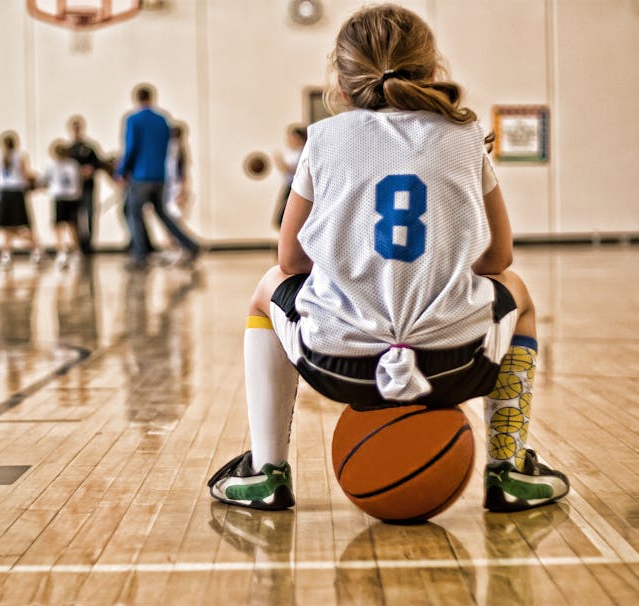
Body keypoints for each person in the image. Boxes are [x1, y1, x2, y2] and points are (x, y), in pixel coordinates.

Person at [208, 3, 570, 513]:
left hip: (340, 364)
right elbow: (497, 257)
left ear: (340, 77)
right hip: (459, 362)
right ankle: (508, 469)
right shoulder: (466, 138)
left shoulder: (323, 139)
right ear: (433, 70)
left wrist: (351, 273)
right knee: (520, 292)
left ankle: (267, 470)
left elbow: (290, 259)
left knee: (269, 285)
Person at [116, 84, 200, 269]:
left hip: (141, 176)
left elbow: (131, 148)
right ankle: (191, 245)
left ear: (136, 99)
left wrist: (121, 172)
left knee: (132, 212)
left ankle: (141, 254)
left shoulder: (133, 119)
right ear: (152, 98)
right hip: (160, 176)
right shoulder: (163, 120)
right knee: (163, 214)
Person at [0, 131, 43, 271]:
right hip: (16, 192)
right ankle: (36, 252)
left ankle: (6, 255)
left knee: (6, 227)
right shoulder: (20, 155)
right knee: (26, 225)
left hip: (4, 193)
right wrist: (39, 180)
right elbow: (26, 173)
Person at [67, 115, 104, 255]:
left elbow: (99, 163)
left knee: (89, 214)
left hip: (88, 187)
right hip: (74, 189)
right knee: (75, 216)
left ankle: (89, 243)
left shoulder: (89, 147)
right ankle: (78, 243)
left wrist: (91, 168)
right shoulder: (68, 150)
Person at [42, 140, 82, 270]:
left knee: (59, 226)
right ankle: (76, 251)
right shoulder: (74, 164)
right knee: (72, 224)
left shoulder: (52, 165)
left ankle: (62, 251)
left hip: (60, 197)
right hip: (73, 197)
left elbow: (45, 181)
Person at [272, 125, 307, 229]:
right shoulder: (292, 152)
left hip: (294, 188)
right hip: (288, 186)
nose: (289, 140)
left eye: (292, 137)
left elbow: (295, 171)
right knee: (281, 219)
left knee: (284, 218)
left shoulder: (302, 152)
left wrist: (280, 162)